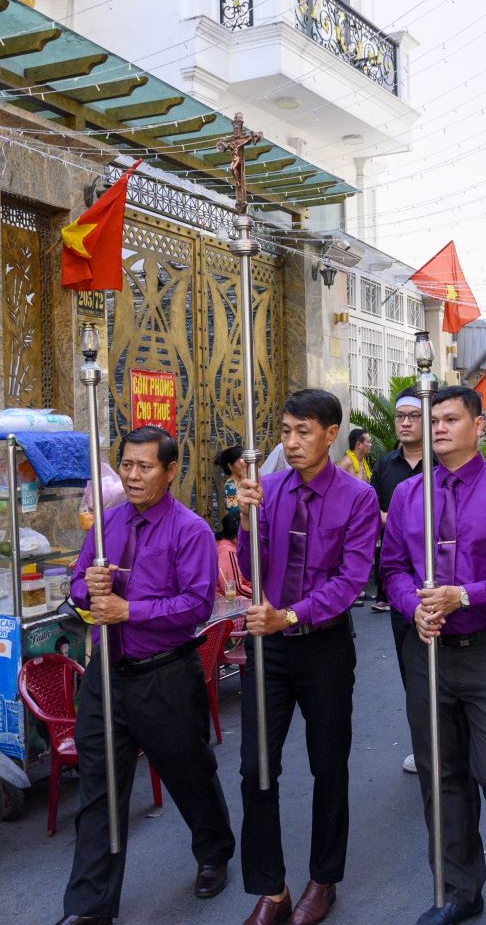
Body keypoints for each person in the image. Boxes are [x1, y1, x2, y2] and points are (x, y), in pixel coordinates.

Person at [380, 385, 486, 925]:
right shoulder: (408, 495)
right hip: (427, 652)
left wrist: (464, 596)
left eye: (451, 419)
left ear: (479, 426)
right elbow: (392, 569)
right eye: (434, 420)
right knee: (440, 773)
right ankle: (459, 890)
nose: (439, 428)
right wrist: (414, 607)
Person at [60, 426, 236, 925]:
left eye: (145, 466)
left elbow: (196, 605)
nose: (133, 476)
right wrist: (87, 586)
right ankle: (90, 907)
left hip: (165, 676)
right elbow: (77, 584)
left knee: (190, 773)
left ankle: (214, 851)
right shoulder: (106, 525)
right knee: (99, 790)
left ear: (170, 470)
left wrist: (128, 610)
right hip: (107, 677)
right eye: (127, 465)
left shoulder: (190, 530)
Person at [234, 389, 379, 925]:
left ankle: (323, 879)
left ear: (330, 434)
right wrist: (246, 521)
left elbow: (351, 581)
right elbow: (252, 567)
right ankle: (271, 889)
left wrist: (291, 615)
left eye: (303, 432)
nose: (291, 442)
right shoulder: (267, 489)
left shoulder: (358, 498)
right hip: (269, 648)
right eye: (285, 431)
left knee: (328, 764)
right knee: (256, 768)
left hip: (324, 647)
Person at [368, 390, 434, 781]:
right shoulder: (385, 465)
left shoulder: (441, 461)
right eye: (400, 416)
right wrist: (397, 518)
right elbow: (370, 509)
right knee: (411, 669)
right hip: (399, 581)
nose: (405, 422)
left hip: (440, 578)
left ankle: (452, 738)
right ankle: (422, 742)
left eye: (413, 415)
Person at [216, 446, 247, 528]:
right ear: (230, 466)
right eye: (240, 462)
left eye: (245, 460)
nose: (244, 464)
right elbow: (235, 511)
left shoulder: (245, 480)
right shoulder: (230, 486)